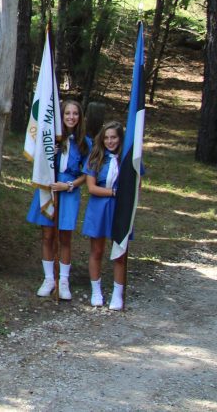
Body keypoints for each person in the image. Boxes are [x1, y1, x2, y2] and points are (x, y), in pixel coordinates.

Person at [27, 99, 92, 300]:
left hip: (68, 190)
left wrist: (70, 185)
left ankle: (63, 280)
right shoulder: (52, 138)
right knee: (47, 235)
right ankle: (48, 278)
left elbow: (86, 173)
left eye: (75, 114)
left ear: (80, 118)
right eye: (67, 114)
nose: (71, 117)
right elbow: (40, 162)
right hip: (49, 188)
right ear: (61, 117)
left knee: (65, 236)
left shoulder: (85, 142)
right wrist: (49, 152)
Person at [82, 121, 129, 310]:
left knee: (119, 252)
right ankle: (96, 291)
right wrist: (114, 193)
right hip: (99, 208)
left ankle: (117, 295)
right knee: (97, 250)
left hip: (120, 209)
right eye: (107, 137)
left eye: (114, 137)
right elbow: (92, 187)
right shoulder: (95, 158)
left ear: (120, 138)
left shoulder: (127, 158)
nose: (110, 141)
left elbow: (136, 186)